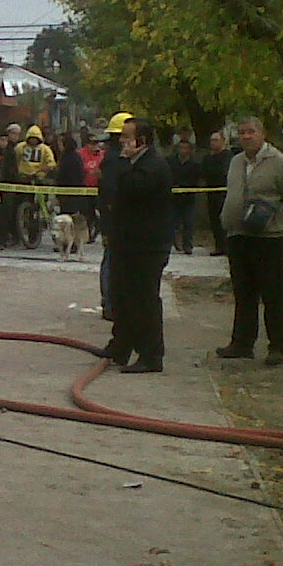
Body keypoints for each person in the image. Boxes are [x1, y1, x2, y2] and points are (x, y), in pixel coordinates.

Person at [217, 116, 283, 365]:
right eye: (242, 132)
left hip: (270, 239)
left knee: (273, 295)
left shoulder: (279, 163)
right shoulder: (236, 162)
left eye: (251, 132)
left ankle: (278, 346)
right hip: (238, 235)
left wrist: (279, 220)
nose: (246, 136)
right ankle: (242, 343)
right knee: (243, 293)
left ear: (262, 134)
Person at [93, 117, 172, 373]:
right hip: (125, 243)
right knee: (121, 295)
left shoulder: (152, 166)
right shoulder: (128, 163)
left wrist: (124, 162)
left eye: (127, 137)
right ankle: (121, 345)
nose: (122, 142)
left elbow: (131, 190)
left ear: (142, 141)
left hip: (147, 245)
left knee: (143, 299)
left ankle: (151, 353)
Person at [95, 112, 133, 323]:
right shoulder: (114, 160)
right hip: (114, 218)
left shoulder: (115, 158)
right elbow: (110, 192)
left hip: (115, 218)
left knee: (114, 260)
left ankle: (113, 303)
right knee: (111, 260)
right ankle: (110, 304)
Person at [168, 137, 203, 255]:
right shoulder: (170, 161)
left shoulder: (194, 164)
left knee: (188, 222)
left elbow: (195, 179)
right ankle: (173, 243)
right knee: (173, 222)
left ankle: (187, 245)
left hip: (188, 197)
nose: (183, 150)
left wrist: (184, 185)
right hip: (173, 197)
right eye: (181, 147)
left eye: (185, 148)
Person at [200, 130, 232, 255]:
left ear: (223, 141)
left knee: (224, 220)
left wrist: (212, 172)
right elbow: (203, 173)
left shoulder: (227, 156)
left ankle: (227, 246)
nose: (213, 143)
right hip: (211, 193)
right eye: (211, 140)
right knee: (214, 220)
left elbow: (223, 172)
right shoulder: (207, 158)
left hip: (224, 193)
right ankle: (219, 246)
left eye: (216, 140)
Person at [0, 124, 24, 247]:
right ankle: (3, 237)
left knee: (9, 213)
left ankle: (9, 237)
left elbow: (13, 169)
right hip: (0, 185)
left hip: (10, 185)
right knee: (1, 213)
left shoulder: (13, 150)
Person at [79, 132, 106, 241]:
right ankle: (89, 233)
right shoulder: (81, 154)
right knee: (87, 212)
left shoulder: (102, 154)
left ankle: (98, 226)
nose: (93, 145)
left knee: (99, 210)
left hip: (98, 188)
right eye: (91, 143)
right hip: (85, 188)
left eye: (96, 143)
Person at [56, 132, 87, 218]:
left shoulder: (68, 158)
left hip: (69, 194)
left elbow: (62, 175)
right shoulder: (76, 156)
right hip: (73, 193)